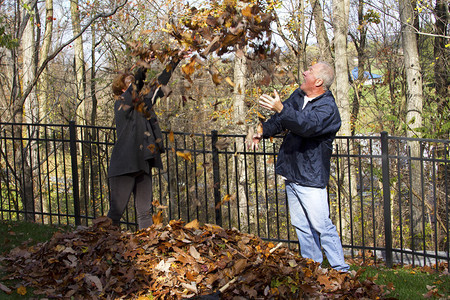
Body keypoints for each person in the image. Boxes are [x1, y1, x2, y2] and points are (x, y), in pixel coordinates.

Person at [251, 62, 349, 272]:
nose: (304, 72)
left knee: (322, 226)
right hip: (291, 173)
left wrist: (282, 109)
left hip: (311, 177)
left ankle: (341, 271)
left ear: (319, 82)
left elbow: (306, 126)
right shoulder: (298, 96)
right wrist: (263, 130)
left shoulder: (328, 109)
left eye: (310, 71)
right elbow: (280, 121)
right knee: (302, 227)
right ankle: (312, 268)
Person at [107, 57, 180, 230]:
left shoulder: (144, 103)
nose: (136, 86)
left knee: (145, 213)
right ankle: (103, 245)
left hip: (142, 162)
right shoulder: (122, 104)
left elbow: (160, 82)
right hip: (124, 165)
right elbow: (137, 85)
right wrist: (142, 65)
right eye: (130, 83)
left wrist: (175, 58)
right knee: (116, 213)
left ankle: (147, 249)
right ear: (123, 89)